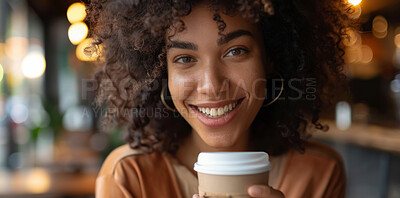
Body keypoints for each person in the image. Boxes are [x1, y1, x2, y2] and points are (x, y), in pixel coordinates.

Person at [86, 0, 354, 197]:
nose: (212, 86)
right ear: (161, 73)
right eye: (185, 59)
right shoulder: (129, 177)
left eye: (235, 51)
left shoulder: (319, 173)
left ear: (270, 57)